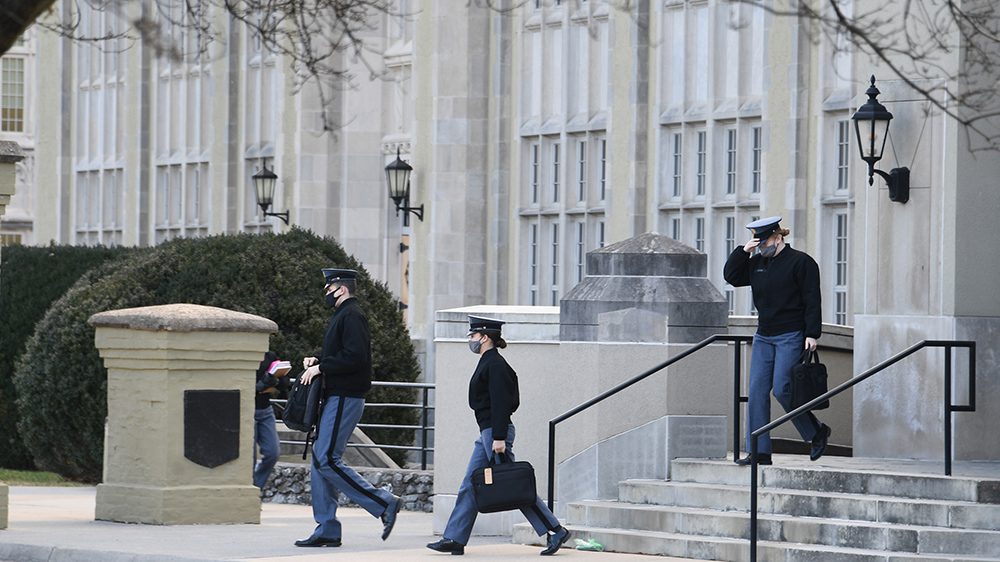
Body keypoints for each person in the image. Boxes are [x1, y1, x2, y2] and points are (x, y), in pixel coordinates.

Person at [427, 316, 571, 557]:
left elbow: (502, 403)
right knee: (470, 484)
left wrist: (499, 437)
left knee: (515, 486)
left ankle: (555, 529)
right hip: (487, 432)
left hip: (494, 433)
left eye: (473, 336)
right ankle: (454, 538)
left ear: (484, 337)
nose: (471, 340)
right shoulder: (488, 361)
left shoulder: (495, 364)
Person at [294, 268, 401, 548]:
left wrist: (322, 368)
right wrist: (317, 360)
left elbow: (355, 358)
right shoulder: (344, 315)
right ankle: (327, 527)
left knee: (326, 458)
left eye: (328, 289)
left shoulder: (352, 315)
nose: (326, 294)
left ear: (341, 288)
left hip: (346, 396)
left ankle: (383, 501)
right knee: (320, 460)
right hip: (338, 396)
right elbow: (343, 354)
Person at [723, 216, 831, 466]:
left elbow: (812, 299)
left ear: (778, 237)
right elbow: (732, 276)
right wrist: (743, 251)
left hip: (791, 335)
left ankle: (815, 432)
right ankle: (759, 451)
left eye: (764, 242)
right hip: (764, 335)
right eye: (757, 243)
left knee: (783, 388)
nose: (761, 247)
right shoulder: (757, 262)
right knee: (757, 392)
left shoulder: (801, 262)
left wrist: (812, 334)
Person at [253, 351, 285, 489]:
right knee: (249, 459)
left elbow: (282, 380)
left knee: (273, 452)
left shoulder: (269, 356)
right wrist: (258, 387)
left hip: (265, 410)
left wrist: (278, 380)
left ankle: (256, 486)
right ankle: (250, 493)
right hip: (247, 410)